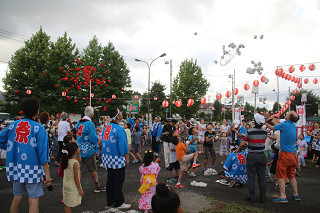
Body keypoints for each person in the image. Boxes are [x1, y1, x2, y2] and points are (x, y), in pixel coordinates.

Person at [0, 97, 51, 213]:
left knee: (17, 199)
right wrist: (47, 174)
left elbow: (1, 138)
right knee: (33, 201)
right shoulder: (39, 128)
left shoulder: (13, 125)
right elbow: (43, 154)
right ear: (37, 111)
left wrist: (9, 147)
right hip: (32, 169)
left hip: (15, 167)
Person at [265, 111, 301, 203]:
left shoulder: (284, 125)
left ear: (288, 117)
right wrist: (270, 118)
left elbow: (273, 127)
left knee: (280, 176)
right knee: (292, 176)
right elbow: (277, 122)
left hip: (285, 154)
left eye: (289, 113)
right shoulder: (293, 125)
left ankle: (283, 196)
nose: (288, 112)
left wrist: (264, 122)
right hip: (293, 155)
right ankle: (296, 195)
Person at [101, 108, 131, 210]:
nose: (121, 114)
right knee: (118, 180)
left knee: (110, 180)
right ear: (117, 116)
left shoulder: (107, 127)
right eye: (120, 113)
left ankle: (110, 201)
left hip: (107, 158)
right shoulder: (119, 129)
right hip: (117, 158)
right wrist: (126, 157)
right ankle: (119, 202)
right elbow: (123, 145)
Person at [239, 113, 267, 203]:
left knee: (251, 177)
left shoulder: (250, 131)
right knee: (262, 177)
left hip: (252, 155)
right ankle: (263, 197)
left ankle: (251, 196)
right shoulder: (264, 132)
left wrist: (239, 149)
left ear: (254, 122)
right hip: (262, 155)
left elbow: (243, 143)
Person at [76, 106, 105, 193]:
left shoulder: (79, 122)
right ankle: (97, 185)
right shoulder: (90, 123)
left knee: (78, 169)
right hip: (88, 149)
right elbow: (93, 137)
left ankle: (76, 187)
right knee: (92, 168)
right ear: (92, 115)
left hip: (79, 149)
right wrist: (98, 140)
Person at [61, 142, 84, 213]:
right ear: (74, 152)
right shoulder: (75, 163)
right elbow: (76, 178)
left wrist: (79, 152)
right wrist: (80, 189)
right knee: (69, 205)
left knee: (67, 203)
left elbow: (79, 159)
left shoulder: (67, 159)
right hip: (72, 185)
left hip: (66, 184)